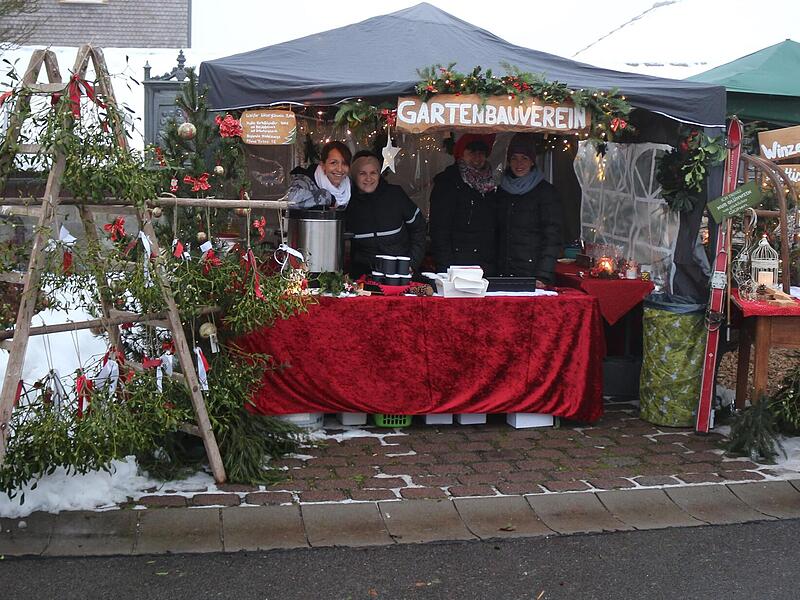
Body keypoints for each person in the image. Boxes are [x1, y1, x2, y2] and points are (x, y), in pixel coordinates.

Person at [345, 151, 427, 278]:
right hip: (363, 277)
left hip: (400, 275)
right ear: (355, 176)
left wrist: (411, 263)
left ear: (379, 174)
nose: (368, 178)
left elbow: (419, 228)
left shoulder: (395, 195)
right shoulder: (347, 201)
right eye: (362, 173)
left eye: (373, 173)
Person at [495, 132, 562, 287]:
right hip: (503, 272)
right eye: (514, 158)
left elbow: (552, 237)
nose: (519, 163)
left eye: (524, 158)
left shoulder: (546, 192)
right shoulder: (501, 191)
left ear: (532, 161)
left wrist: (543, 275)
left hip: (533, 274)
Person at [429, 133, 497, 274]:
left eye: (481, 153)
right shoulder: (448, 182)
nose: (477, 158)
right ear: (461, 154)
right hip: (456, 265)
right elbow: (439, 229)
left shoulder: (491, 185)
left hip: (485, 264)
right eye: (472, 153)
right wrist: (445, 267)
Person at [287, 141, 352, 209]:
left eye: (345, 163)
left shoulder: (349, 186)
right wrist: (328, 197)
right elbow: (291, 198)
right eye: (333, 163)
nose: (339, 169)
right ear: (322, 165)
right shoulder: (304, 180)